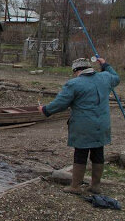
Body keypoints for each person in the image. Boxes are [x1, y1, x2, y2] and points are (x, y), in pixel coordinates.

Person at [38, 57, 120, 194]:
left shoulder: (74, 84)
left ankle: (75, 186)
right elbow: (116, 77)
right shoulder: (106, 77)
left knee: (81, 154)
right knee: (98, 153)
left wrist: (45, 110)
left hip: (84, 126)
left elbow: (60, 103)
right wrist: (105, 64)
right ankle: (95, 186)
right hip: (102, 125)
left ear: (77, 70)